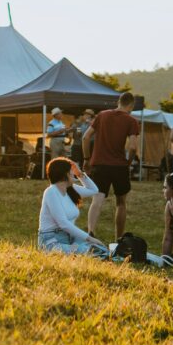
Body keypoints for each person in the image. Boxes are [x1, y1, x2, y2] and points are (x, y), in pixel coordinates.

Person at [84, 92, 141, 238]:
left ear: (118, 102)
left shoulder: (102, 115)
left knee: (97, 199)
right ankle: (118, 238)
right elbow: (133, 147)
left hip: (99, 164)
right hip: (119, 166)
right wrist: (129, 161)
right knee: (121, 202)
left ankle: (90, 232)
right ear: (131, 105)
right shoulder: (131, 121)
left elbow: (85, 137)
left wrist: (86, 159)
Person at [36, 157, 106, 255]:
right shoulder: (51, 192)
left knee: (97, 249)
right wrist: (89, 238)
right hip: (51, 241)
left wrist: (80, 174)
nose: (73, 173)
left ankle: (76, 248)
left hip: (69, 238)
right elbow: (63, 223)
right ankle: (75, 249)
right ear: (65, 174)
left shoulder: (71, 189)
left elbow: (94, 190)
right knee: (89, 251)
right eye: (71, 171)